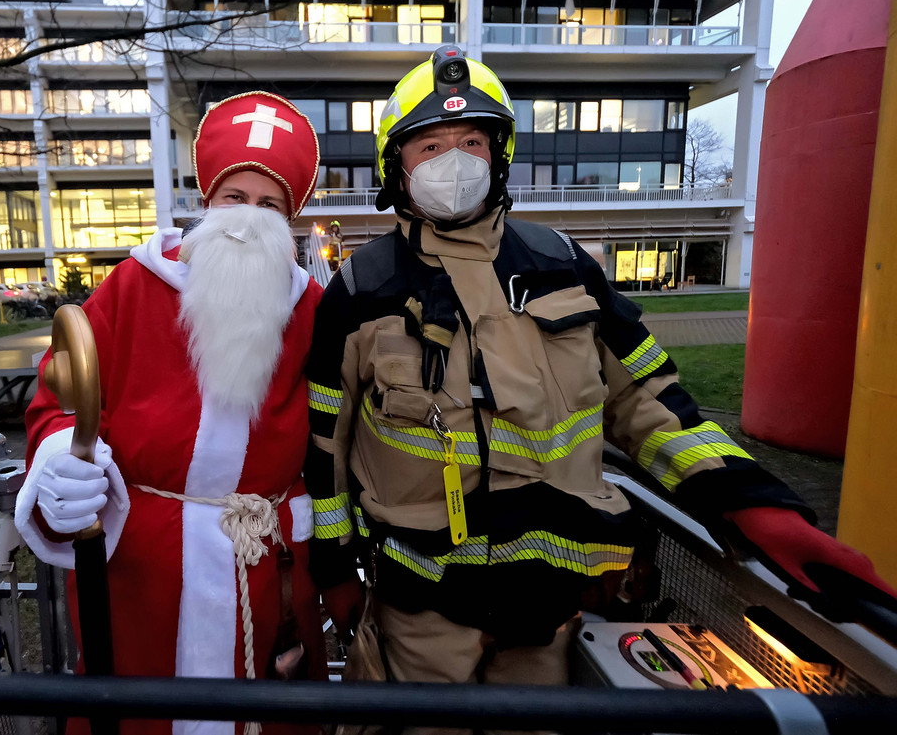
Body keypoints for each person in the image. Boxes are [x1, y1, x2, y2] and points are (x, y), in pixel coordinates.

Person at [304, 46, 897, 704]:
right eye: (431, 146)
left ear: (499, 156)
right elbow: (324, 451)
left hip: (554, 617)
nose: (455, 162)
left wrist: (748, 500)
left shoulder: (564, 266)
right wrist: (333, 568)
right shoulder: (359, 294)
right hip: (418, 622)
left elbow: (650, 402)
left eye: (472, 140)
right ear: (399, 166)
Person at [15, 92, 326, 735]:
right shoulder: (132, 286)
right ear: (206, 202)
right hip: (142, 566)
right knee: (137, 708)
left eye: (269, 205)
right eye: (233, 198)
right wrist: (59, 462)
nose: (248, 218)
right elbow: (59, 396)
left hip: (263, 561)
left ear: (291, 220)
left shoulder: (313, 309)